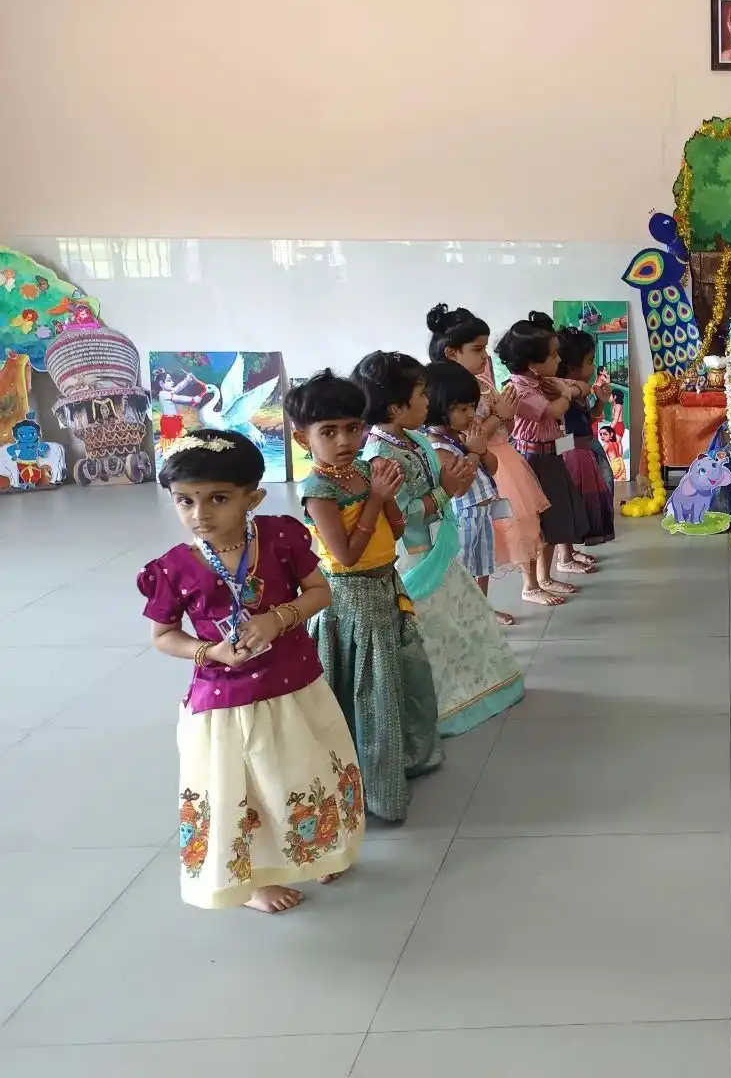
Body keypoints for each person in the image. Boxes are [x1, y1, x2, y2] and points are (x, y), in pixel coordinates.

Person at [137, 428, 362, 911]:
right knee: (242, 787)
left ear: (252, 497)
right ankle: (254, 881)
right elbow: (162, 637)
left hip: (297, 684)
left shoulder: (280, 537)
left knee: (307, 769)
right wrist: (210, 652)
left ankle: (320, 850)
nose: (200, 515)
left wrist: (277, 618)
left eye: (217, 499)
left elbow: (320, 592)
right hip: (226, 703)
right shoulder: (174, 568)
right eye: (185, 501)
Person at [286, 371, 442, 824]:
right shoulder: (318, 490)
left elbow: (393, 531)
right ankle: (369, 784)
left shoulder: (359, 471)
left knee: (395, 677)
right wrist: (376, 498)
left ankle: (400, 759)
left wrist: (387, 496)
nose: (344, 440)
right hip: (351, 599)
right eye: (328, 431)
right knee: (365, 690)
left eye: (352, 428)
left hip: (385, 584)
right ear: (303, 438)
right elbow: (347, 554)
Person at [354, 351, 525, 737]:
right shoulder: (381, 455)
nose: (428, 401)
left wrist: (452, 483)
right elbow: (400, 512)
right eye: (421, 394)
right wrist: (447, 492)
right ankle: (446, 703)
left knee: (462, 621)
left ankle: (479, 688)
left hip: (441, 549)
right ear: (397, 407)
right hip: (416, 558)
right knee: (434, 629)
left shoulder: (414, 439)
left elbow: (439, 484)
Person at [427, 305, 554, 604]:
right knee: (482, 544)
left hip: (495, 459)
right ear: (451, 352)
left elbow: (501, 422)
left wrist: (504, 416)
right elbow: (470, 434)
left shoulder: (481, 381)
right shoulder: (447, 391)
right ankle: (486, 602)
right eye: (477, 349)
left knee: (507, 532)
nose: (485, 357)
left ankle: (492, 600)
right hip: (475, 468)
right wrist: (498, 416)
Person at [496, 315, 592, 595]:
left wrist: (568, 388)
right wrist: (565, 393)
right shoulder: (519, 388)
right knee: (533, 523)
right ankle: (531, 585)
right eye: (553, 355)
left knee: (552, 519)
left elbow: (584, 387)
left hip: (551, 455)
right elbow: (555, 411)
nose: (558, 359)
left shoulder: (541, 380)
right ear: (531, 363)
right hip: (532, 459)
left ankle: (545, 577)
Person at [422, 360, 516, 625]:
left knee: (482, 567)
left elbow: (493, 467)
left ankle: (480, 609)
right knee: (461, 570)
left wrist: (481, 450)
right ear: (438, 409)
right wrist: (473, 452)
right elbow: (459, 489)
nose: (471, 414)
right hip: (463, 519)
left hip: (482, 515)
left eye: (472, 407)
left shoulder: (465, 435)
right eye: (462, 409)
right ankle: (460, 616)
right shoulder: (439, 446)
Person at [556, 327, 617, 551]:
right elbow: (563, 433)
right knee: (571, 506)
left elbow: (587, 420)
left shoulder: (579, 393)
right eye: (590, 362)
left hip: (583, 453)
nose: (593, 368)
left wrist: (600, 401)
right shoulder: (563, 393)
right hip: (573, 457)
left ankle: (570, 553)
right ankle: (565, 556)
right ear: (572, 366)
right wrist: (573, 450)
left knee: (581, 504)